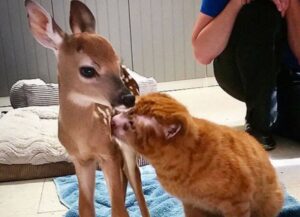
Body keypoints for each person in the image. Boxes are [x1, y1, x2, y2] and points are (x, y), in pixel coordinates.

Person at [192, 0, 300, 150]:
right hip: (240, 71)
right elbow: (202, 54)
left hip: (289, 77)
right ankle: (259, 121)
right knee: (259, 10)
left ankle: (276, 112)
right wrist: (238, 2)